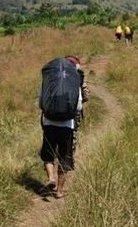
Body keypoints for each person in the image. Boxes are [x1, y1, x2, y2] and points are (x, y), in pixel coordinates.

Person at [39, 55, 88, 199]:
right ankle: (59, 191)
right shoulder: (74, 81)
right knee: (64, 157)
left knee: (48, 154)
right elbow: (78, 106)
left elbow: (41, 102)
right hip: (67, 125)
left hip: (49, 123)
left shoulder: (49, 80)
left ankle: (50, 178)